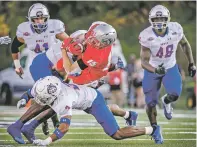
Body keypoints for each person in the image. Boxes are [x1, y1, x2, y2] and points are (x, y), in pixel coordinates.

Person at [15, 22, 137, 138]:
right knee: (92, 106)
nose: (90, 40)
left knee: (60, 98)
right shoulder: (95, 39)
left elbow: (69, 69)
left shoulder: (96, 58)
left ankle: (32, 125)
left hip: (83, 81)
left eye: (95, 40)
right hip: (83, 78)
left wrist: (65, 49)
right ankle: (128, 114)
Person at [7, 76, 163, 145]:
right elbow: (32, 91)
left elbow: (64, 127)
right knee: (46, 104)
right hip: (82, 95)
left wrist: (47, 142)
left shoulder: (64, 99)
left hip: (93, 101)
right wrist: (25, 97)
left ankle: (152, 130)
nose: (39, 99)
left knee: (117, 134)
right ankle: (129, 114)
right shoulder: (46, 84)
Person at [11, 3, 69, 135]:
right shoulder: (24, 30)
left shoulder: (55, 27)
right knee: (46, 93)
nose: (39, 21)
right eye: (36, 19)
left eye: (42, 18)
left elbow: (69, 42)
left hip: (54, 63)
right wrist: (17, 65)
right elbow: (14, 46)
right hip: (37, 65)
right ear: (30, 20)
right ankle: (48, 120)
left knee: (56, 93)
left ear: (47, 18)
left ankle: (47, 120)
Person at [139, 4, 196, 137]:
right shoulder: (146, 35)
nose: (159, 22)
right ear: (151, 20)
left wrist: (192, 63)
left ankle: (166, 101)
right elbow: (143, 62)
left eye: (162, 19)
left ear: (168, 18)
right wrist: (155, 69)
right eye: (156, 19)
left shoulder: (176, 29)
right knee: (151, 102)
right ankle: (155, 129)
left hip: (170, 66)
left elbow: (184, 44)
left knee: (175, 93)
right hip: (152, 70)